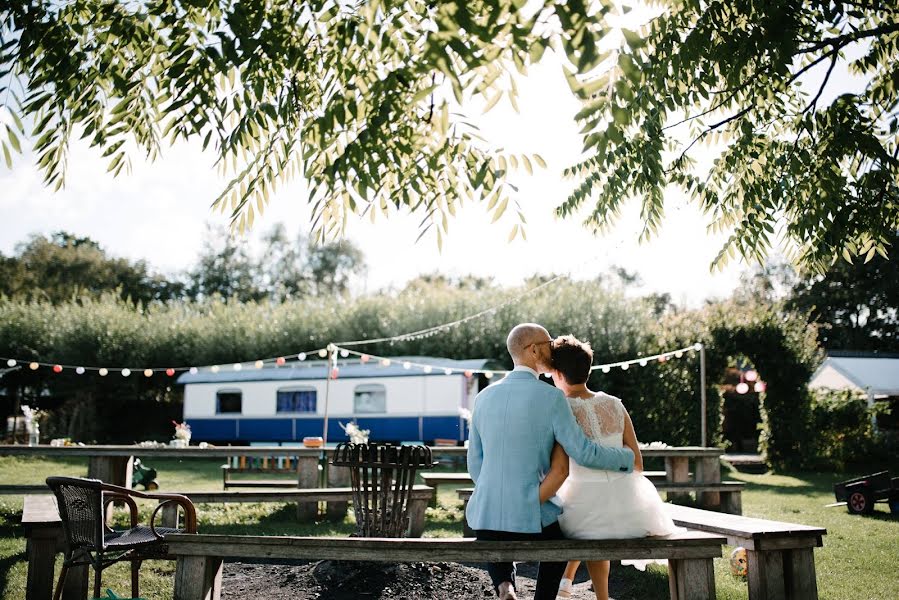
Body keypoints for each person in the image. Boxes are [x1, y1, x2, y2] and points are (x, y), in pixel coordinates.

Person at [466, 324, 635, 600]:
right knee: (559, 546)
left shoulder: (483, 397)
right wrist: (626, 457)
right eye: (548, 344)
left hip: (485, 517)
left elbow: (475, 464)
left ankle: (505, 586)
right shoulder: (551, 397)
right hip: (531, 518)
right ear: (533, 350)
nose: (552, 349)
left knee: (493, 533)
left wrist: (498, 495)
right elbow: (583, 452)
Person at [538, 335, 682, 600]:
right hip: (631, 507)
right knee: (596, 520)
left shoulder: (560, 408)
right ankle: (594, 593)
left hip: (583, 505)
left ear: (557, 374)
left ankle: (579, 587)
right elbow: (637, 463)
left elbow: (556, 465)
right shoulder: (615, 404)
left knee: (583, 520)